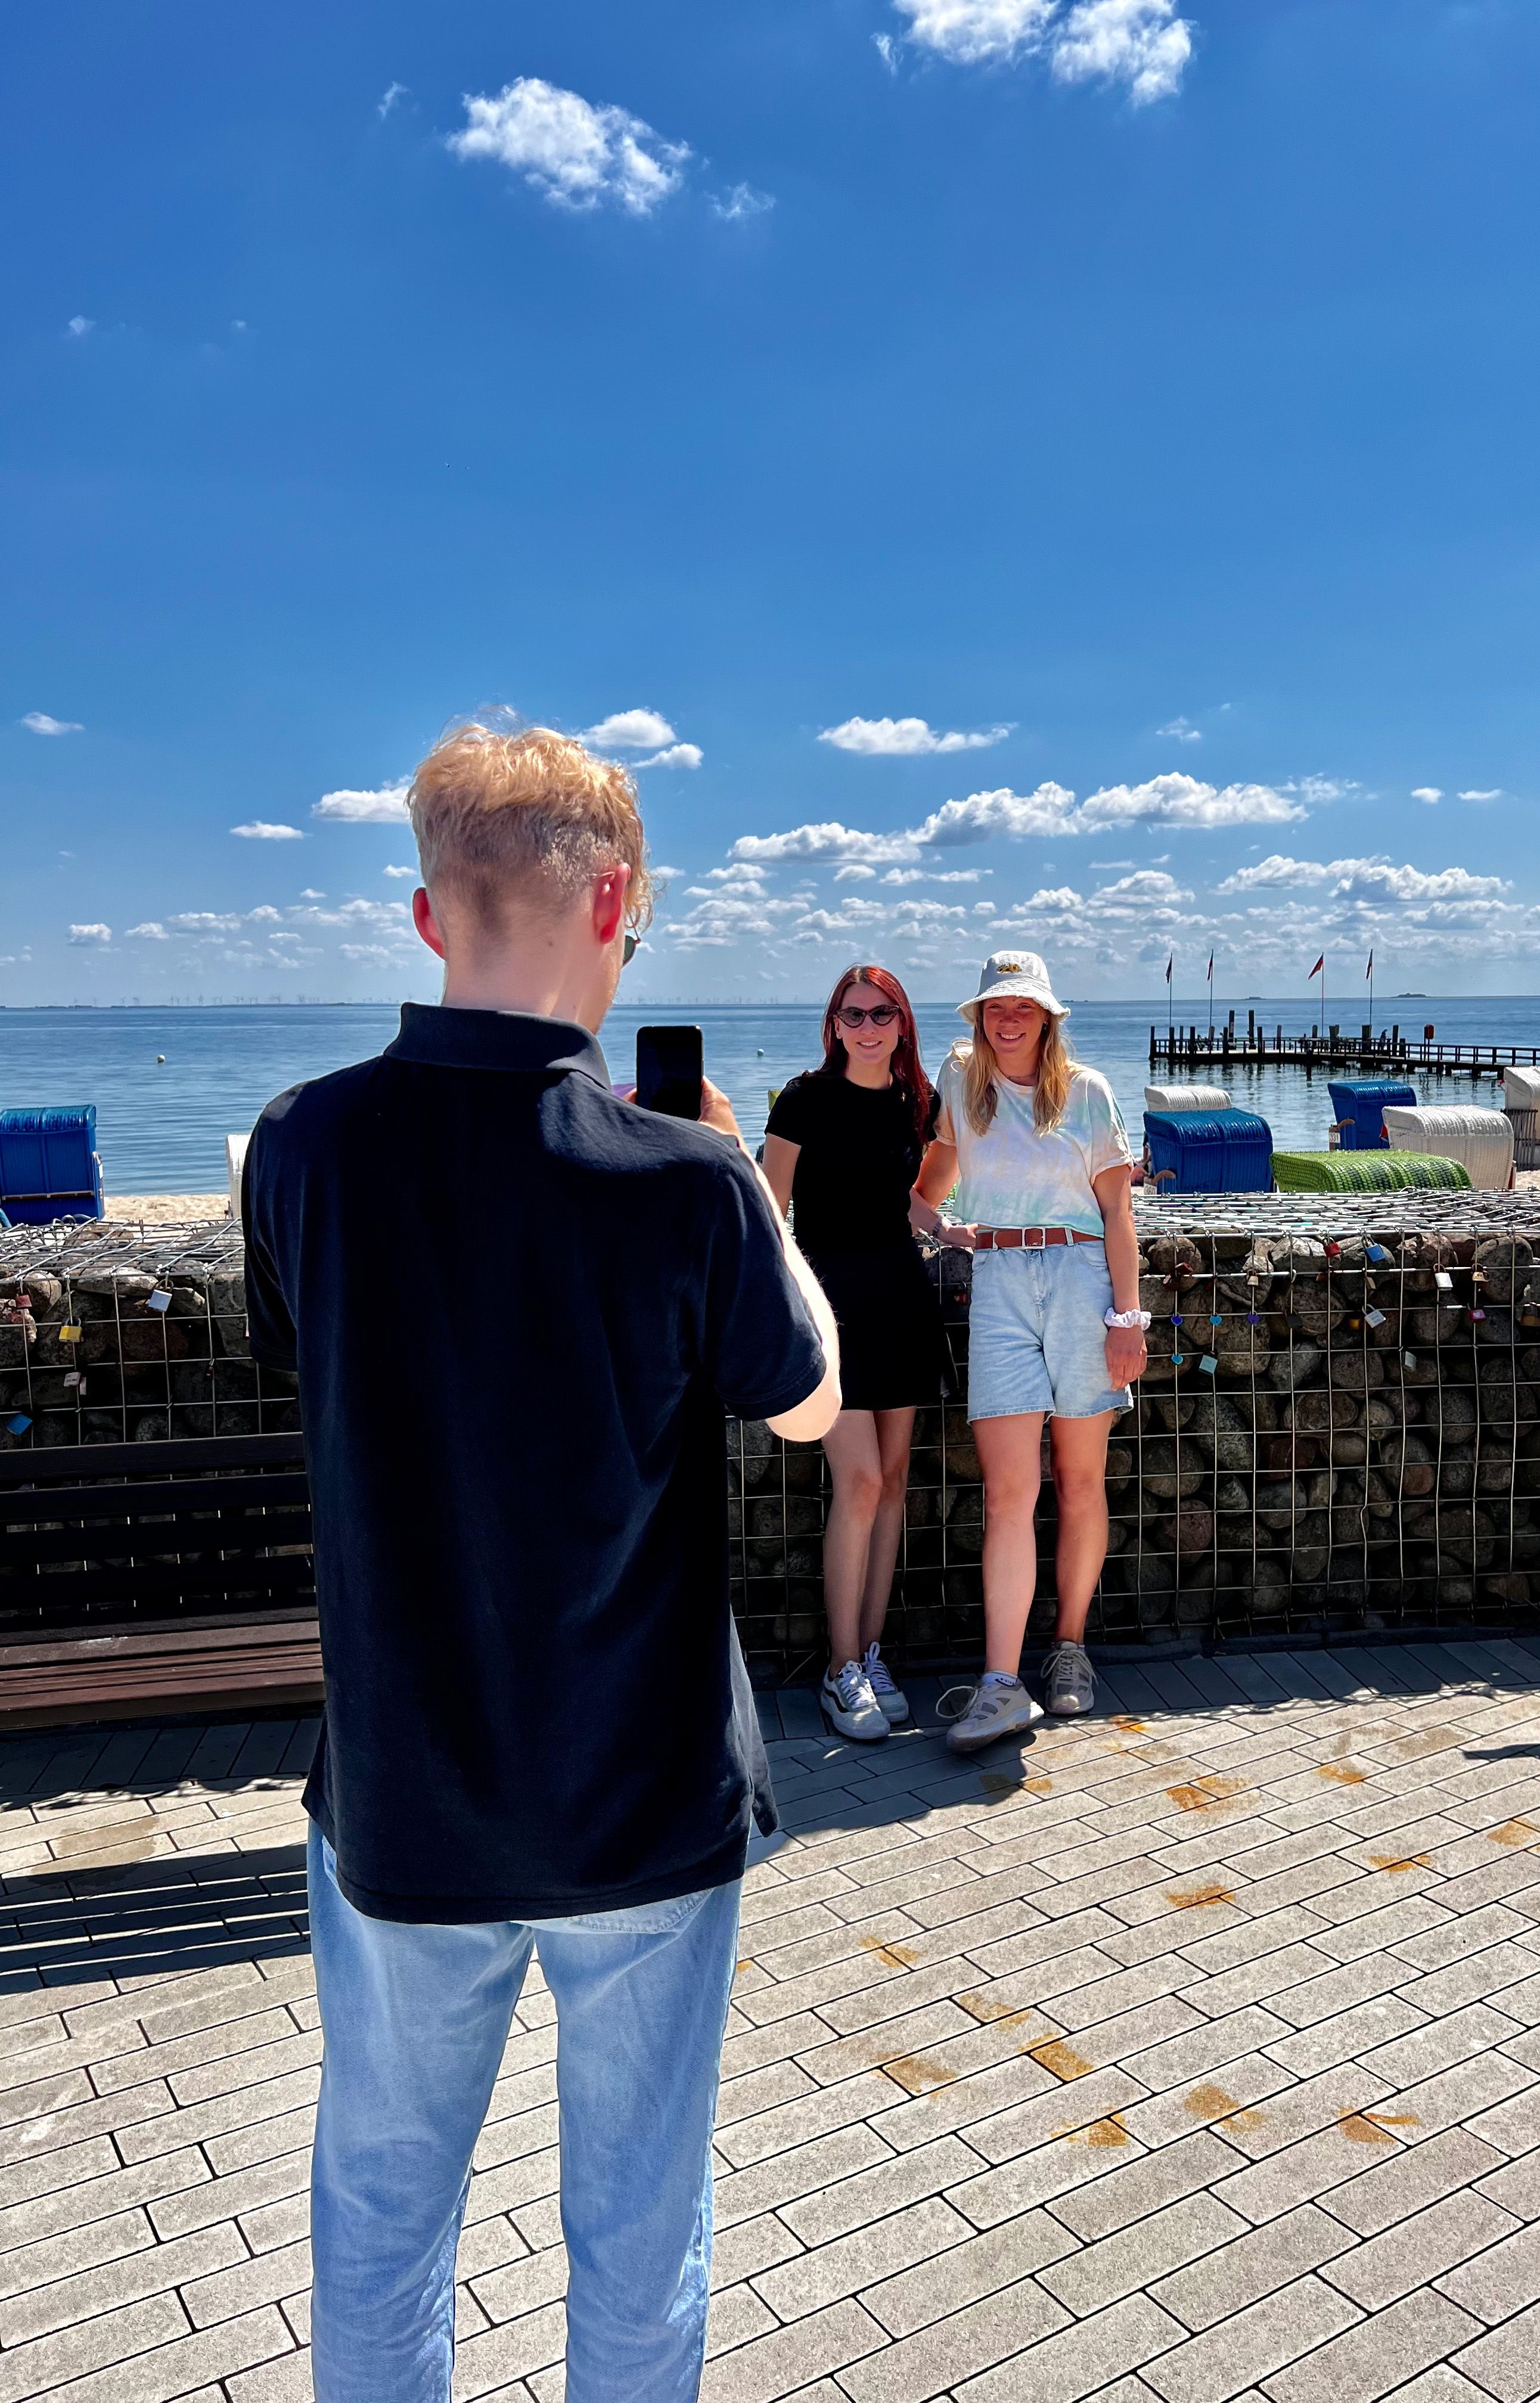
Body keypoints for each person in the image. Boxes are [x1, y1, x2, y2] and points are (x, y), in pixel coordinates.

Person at [241, 724, 839, 2403]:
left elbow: (309, 1359)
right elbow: (809, 1406)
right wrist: (752, 1190)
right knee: (639, 2227)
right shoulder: (690, 1184)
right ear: (621, 905)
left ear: (429, 918)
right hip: (642, 1797)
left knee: (379, 2209)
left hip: (408, 1793)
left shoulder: (301, 1146)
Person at [915, 950, 1148, 1751]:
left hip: (1083, 1277)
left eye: (1022, 1006)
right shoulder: (960, 1088)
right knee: (1011, 1492)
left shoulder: (1086, 1093)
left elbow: (1119, 1213)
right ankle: (1001, 1684)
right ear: (979, 1018)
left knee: (1081, 1481)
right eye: (994, 1007)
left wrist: (1129, 1318)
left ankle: (1071, 1650)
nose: (1007, 1018)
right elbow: (927, 1187)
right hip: (1001, 1278)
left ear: (1048, 1017)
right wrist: (936, 1225)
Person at [763, 965, 970, 1741]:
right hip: (829, 1309)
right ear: (835, 1023)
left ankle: (871, 1655)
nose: (867, 1025)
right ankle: (839, 1668)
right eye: (853, 1013)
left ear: (901, 1021)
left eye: (881, 1012)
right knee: (855, 1483)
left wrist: (941, 1227)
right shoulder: (804, 1098)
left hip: (898, 1302)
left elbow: (910, 1189)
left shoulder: (918, 1101)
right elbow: (769, 1209)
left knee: (889, 1487)